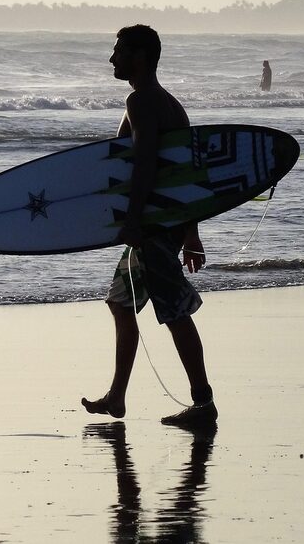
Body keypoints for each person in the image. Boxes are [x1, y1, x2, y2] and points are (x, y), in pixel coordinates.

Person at [81, 25, 217, 428]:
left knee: (174, 312)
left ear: (140, 56)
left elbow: (143, 169)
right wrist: (191, 232)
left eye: (119, 51)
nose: (112, 59)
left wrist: (135, 222)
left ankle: (203, 404)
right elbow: (184, 173)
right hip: (164, 223)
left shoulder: (142, 102)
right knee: (120, 302)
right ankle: (117, 396)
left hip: (154, 226)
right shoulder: (166, 103)